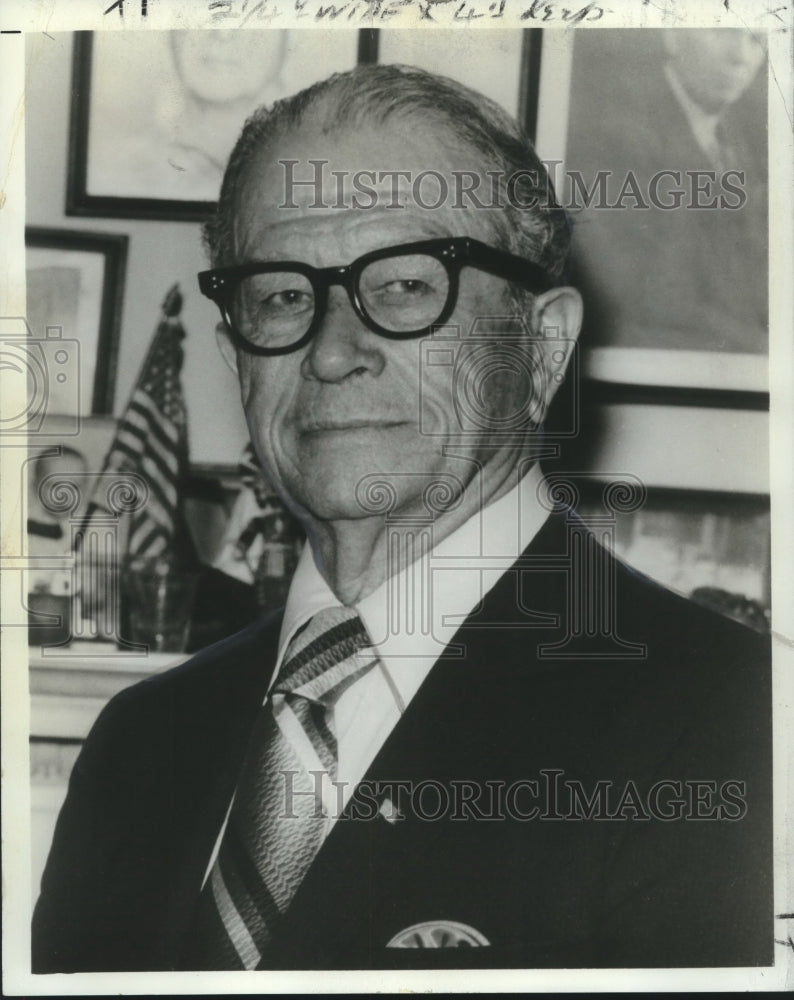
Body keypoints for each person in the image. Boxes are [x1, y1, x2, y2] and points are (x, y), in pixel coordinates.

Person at [32, 63, 772, 972]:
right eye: (282, 296)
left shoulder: (737, 722)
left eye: (410, 286)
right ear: (236, 360)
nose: (335, 349)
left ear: (542, 350)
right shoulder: (140, 744)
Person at [567, 28, 767, 354]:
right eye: (724, 33)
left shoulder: (741, 142)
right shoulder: (613, 137)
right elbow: (641, 296)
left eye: (757, 40)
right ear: (674, 34)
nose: (741, 57)